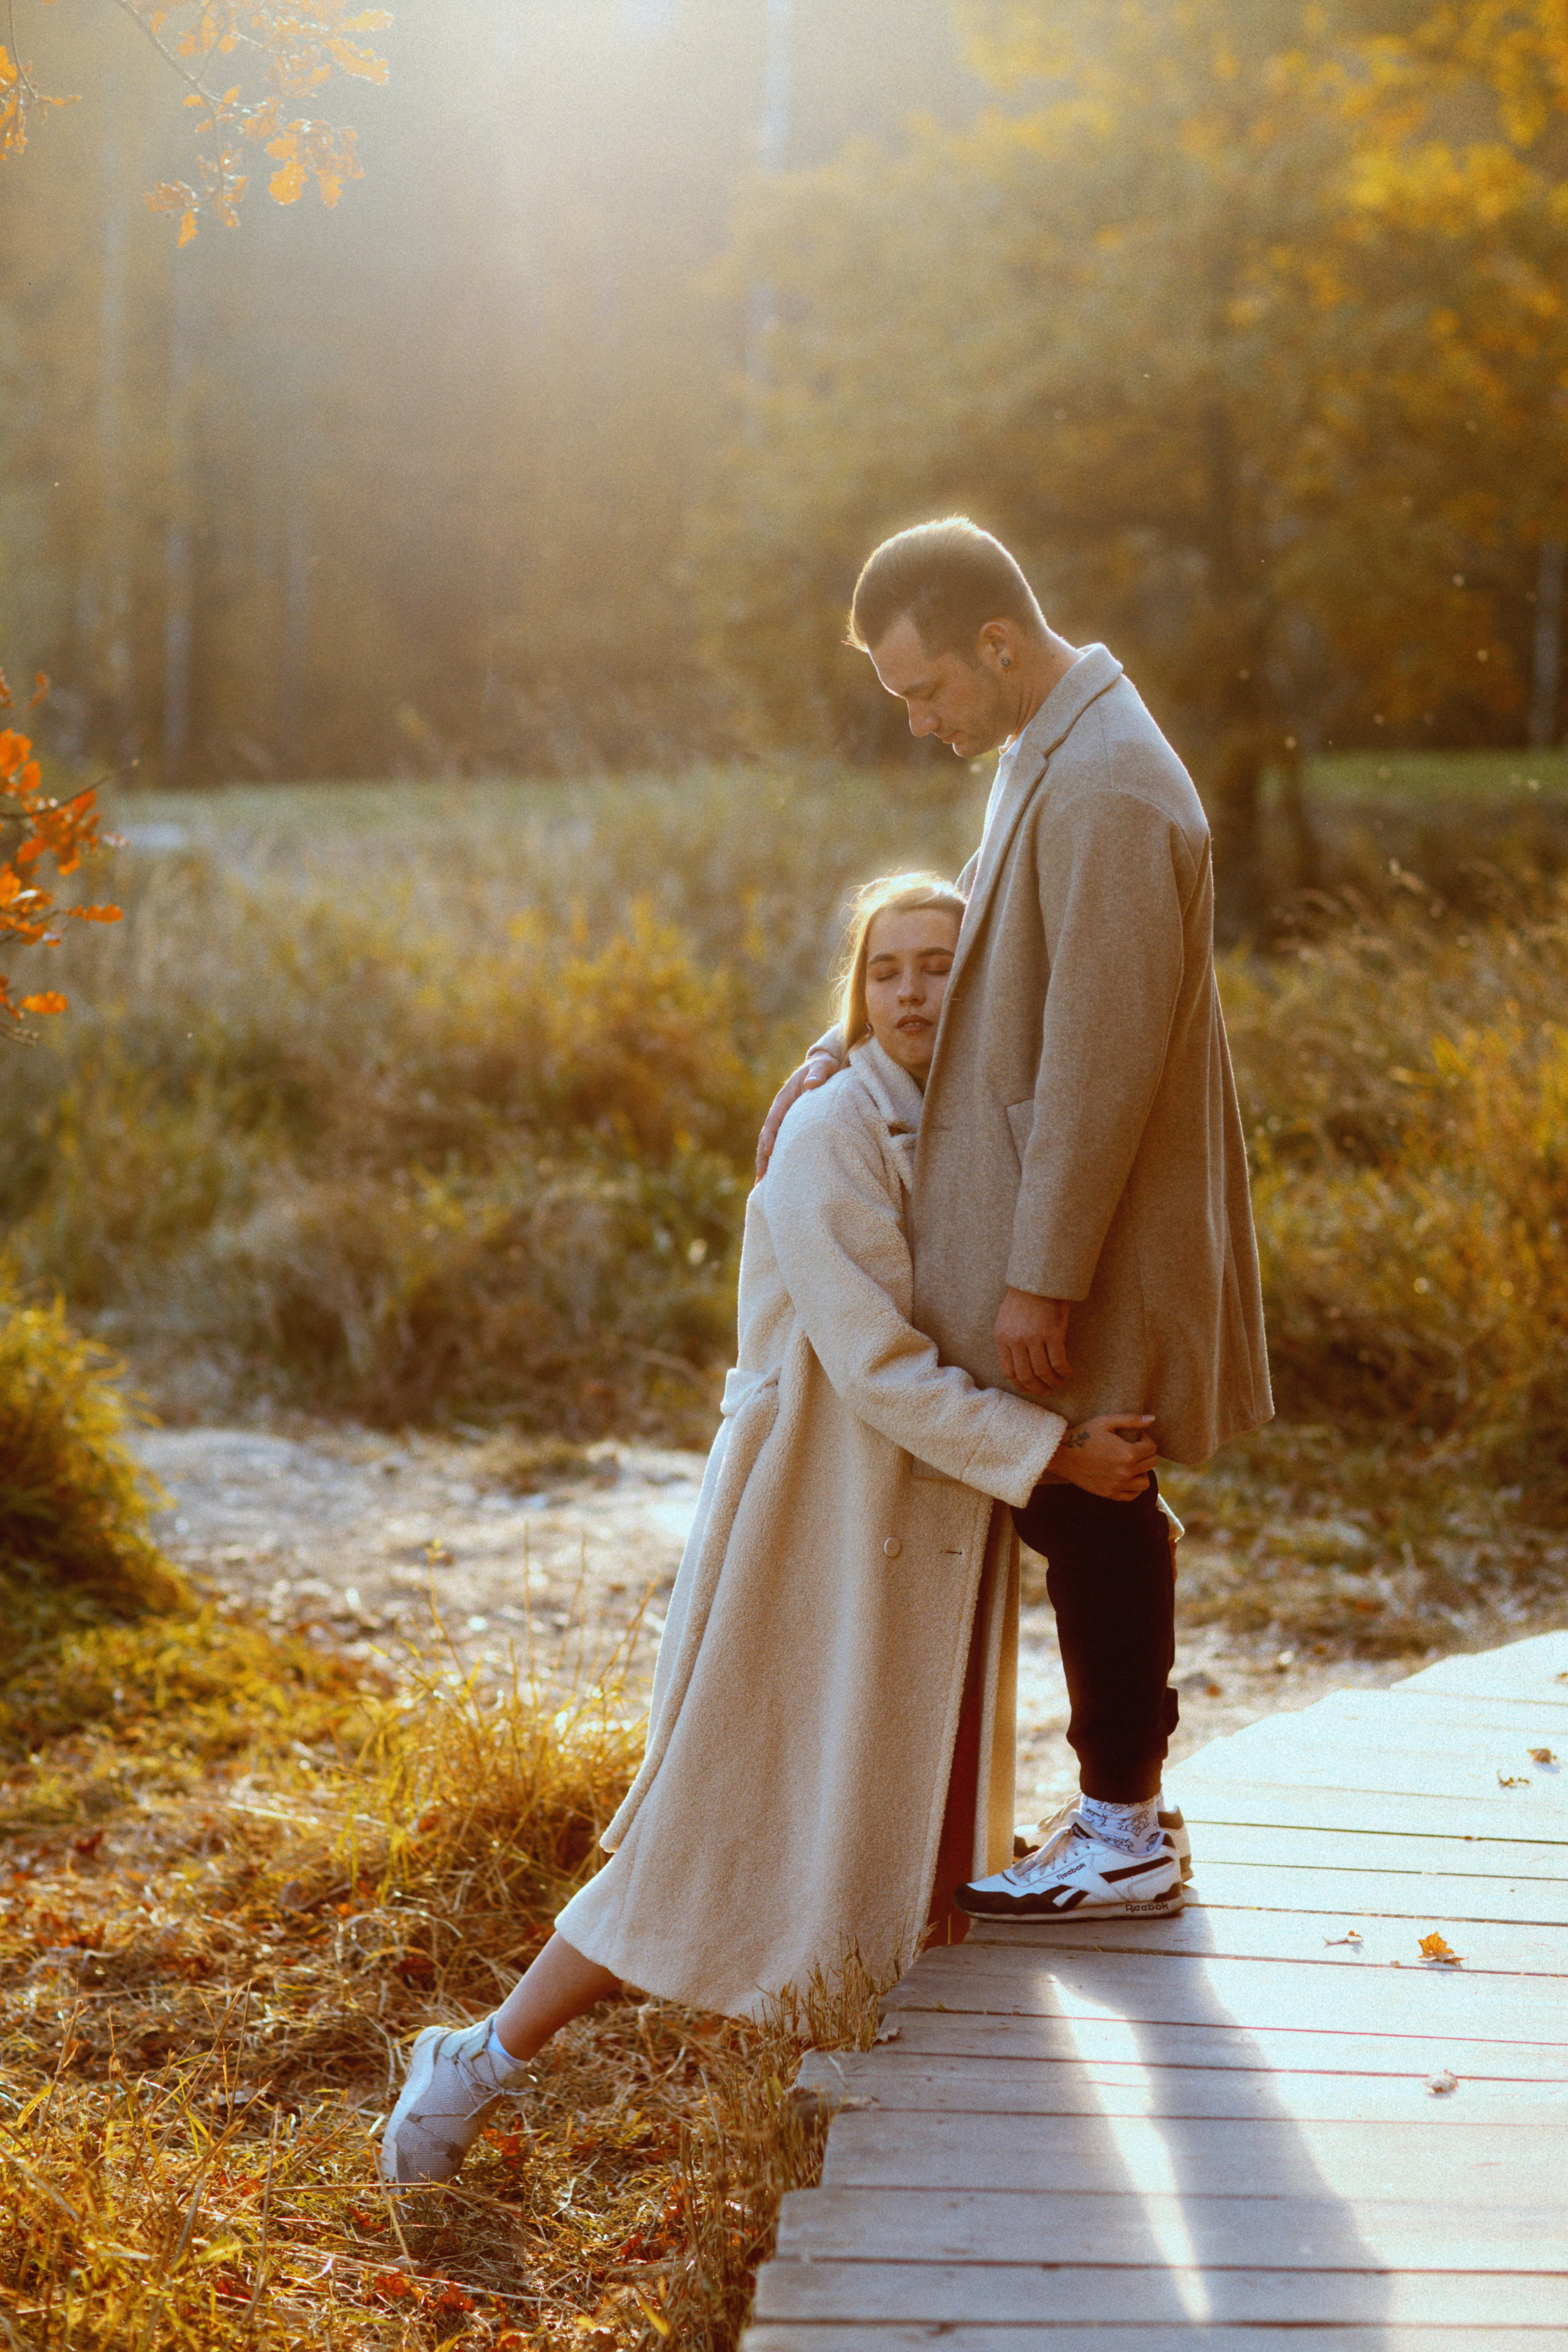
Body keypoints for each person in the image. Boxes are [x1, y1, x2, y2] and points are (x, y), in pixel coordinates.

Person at [379, 872, 1160, 2187]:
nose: (912, 991)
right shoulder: (830, 1130)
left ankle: (879, 2092)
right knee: (710, 1811)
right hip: (813, 1517)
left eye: (939, 966)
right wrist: (1052, 1457)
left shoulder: (965, 1120)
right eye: (887, 969)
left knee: (904, 1815)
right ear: (855, 990)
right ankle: (480, 2056)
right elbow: (871, 1363)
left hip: (917, 1518)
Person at [756, 517, 1272, 1924]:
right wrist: (847, 1049)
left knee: (1097, 1501)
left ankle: (1123, 1829)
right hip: (1065, 1233)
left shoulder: (1101, 781)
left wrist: (1038, 1281)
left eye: (926, 692)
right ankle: (1124, 1810)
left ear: (996, 642)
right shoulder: (1047, 749)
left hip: (1088, 1242)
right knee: (1091, 1494)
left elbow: (1094, 1066)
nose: (921, 724)